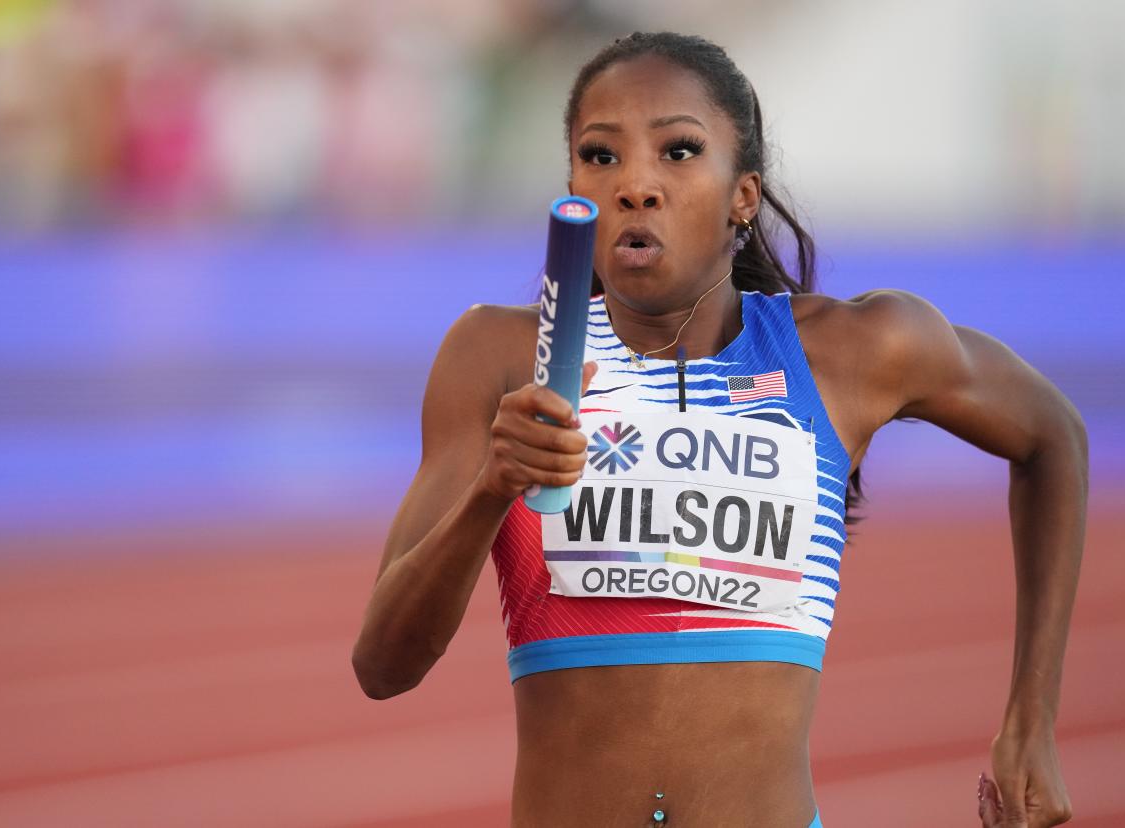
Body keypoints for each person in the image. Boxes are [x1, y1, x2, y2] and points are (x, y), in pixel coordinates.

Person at [352, 31, 1086, 828]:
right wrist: (493, 489)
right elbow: (383, 665)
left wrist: (1031, 722)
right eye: (601, 156)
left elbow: (1053, 437)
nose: (635, 183)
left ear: (743, 195)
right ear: (571, 189)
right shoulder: (497, 355)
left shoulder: (855, 350)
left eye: (678, 150)